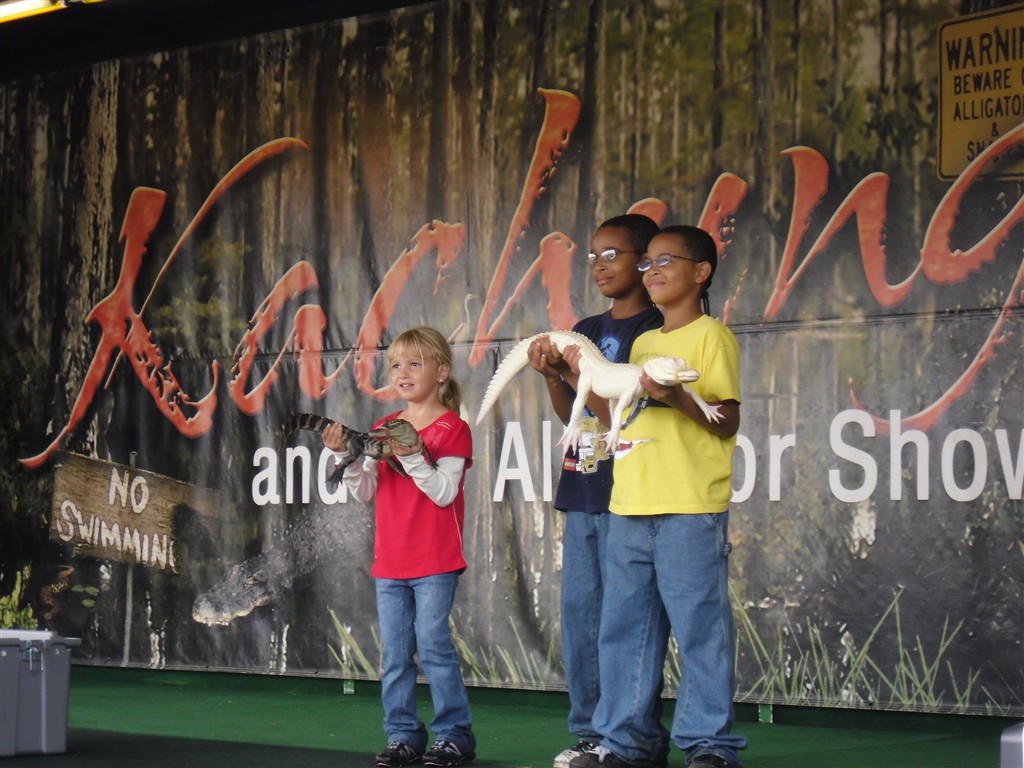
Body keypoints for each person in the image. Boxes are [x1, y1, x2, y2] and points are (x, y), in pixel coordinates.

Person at [569, 225, 747, 768]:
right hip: (629, 504)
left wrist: (674, 397)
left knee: (700, 630)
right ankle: (628, 742)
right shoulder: (644, 344)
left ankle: (709, 745)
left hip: (690, 506)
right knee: (623, 632)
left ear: (701, 272)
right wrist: (571, 375)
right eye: (647, 263)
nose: (653, 271)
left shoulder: (711, 337)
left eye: (667, 260)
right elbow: (615, 417)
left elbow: (726, 419)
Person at [527, 214, 662, 768]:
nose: (600, 266)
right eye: (593, 256)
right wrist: (552, 376)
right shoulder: (584, 328)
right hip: (583, 486)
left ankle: (633, 736)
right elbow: (575, 416)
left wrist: (578, 373)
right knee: (582, 616)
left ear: (645, 263)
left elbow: (630, 417)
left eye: (613, 254)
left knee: (624, 620)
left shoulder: (655, 330)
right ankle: (589, 733)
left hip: (629, 493)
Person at [321, 326, 476, 768]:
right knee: (394, 652)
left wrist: (411, 456)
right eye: (395, 365)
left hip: (435, 559)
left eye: (414, 364)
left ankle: (455, 736)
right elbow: (365, 491)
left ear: (441, 371)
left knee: (433, 645)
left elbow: (444, 493)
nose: (402, 373)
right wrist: (344, 457)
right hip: (391, 560)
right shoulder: (384, 427)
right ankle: (403, 735)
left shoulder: (453, 428)